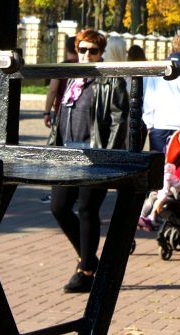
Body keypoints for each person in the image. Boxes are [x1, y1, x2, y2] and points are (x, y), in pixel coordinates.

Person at [49, 30, 129, 293]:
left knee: (86, 209)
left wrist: (109, 155)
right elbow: (61, 114)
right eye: (83, 50)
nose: (87, 55)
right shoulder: (72, 77)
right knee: (59, 207)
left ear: (101, 52)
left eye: (93, 51)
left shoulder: (109, 80)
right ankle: (89, 257)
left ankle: (85, 270)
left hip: (94, 153)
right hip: (67, 154)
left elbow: (119, 118)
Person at [143, 32, 180, 156]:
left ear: (171, 47)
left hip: (159, 125)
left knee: (157, 169)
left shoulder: (158, 67)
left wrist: (148, 123)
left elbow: (149, 97)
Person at [43, 36, 78, 145]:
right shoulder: (87, 66)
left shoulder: (61, 67)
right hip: (80, 112)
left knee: (60, 142)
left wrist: (47, 112)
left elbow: (52, 91)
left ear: (66, 49)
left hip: (61, 111)